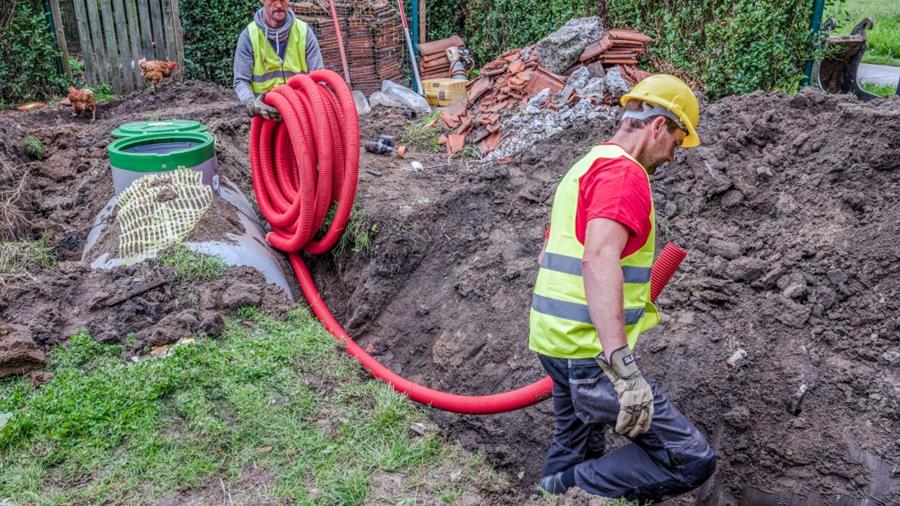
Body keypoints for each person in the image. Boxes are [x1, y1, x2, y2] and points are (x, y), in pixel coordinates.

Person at [530, 74, 717, 502]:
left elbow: (547, 255)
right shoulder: (624, 175)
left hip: (556, 342)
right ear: (657, 128)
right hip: (589, 353)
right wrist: (621, 365)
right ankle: (565, 490)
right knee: (691, 458)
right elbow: (598, 260)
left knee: (577, 444)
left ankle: (554, 494)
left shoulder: (586, 165)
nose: (672, 157)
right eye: (676, 142)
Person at [233, 0, 325, 120]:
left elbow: (318, 78)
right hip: (266, 117)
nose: (279, 5)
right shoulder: (249, 36)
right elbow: (241, 81)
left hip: (301, 115)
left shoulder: (304, 33)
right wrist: (251, 103)